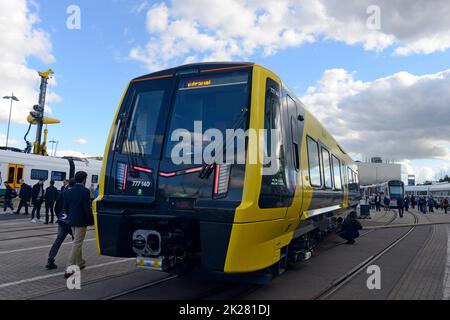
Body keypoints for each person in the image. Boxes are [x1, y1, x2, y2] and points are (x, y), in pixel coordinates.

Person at [64, 171, 94, 279]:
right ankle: (69, 267)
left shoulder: (68, 190)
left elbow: (66, 207)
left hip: (72, 220)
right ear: (84, 179)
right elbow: (87, 207)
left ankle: (80, 262)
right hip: (81, 221)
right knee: (77, 243)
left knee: (77, 242)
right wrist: (91, 220)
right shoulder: (85, 191)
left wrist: (70, 217)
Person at [45, 179, 75, 270]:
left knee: (58, 240)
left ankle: (50, 259)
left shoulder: (62, 193)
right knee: (77, 241)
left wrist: (60, 217)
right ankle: (75, 261)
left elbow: (56, 207)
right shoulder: (75, 194)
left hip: (62, 221)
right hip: (72, 222)